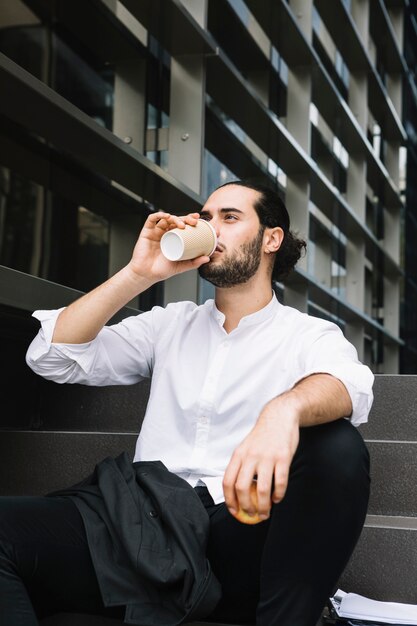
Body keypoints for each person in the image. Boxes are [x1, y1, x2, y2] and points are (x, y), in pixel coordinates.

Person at [1, 180, 373, 626]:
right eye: (206, 217)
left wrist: (283, 411)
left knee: (338, 446)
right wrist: (139, 273)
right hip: (141, 524)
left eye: (230, 217)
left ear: (271, 239)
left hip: (238, 530)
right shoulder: (169, 325)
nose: (211, 228)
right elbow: (53, 357)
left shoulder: (307, 335)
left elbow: (350, 387)